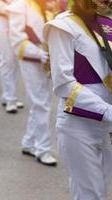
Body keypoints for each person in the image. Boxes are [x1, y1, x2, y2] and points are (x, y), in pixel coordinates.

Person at [44, 0, 112, 199]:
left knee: (101, 190)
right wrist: (108, 111)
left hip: (107, 125)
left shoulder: (106, 23)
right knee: (89, 193)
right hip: (78, 125)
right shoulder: (62, 26)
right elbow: (63, 83)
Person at [7, 0, 58, 165]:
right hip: (31, 59)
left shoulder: (48, 4)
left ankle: (28, 142)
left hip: (48, 58)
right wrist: (38, 53)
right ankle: (43, 149)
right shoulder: (20, 5)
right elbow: (16, 38)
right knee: (41, 104)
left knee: (44, 102)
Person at [0, 0, 24, 113]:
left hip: (19, 19)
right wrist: (4, 7)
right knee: (7, 58)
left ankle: (9, 95)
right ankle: (10, 99)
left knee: (17, 59)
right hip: (1, 19)